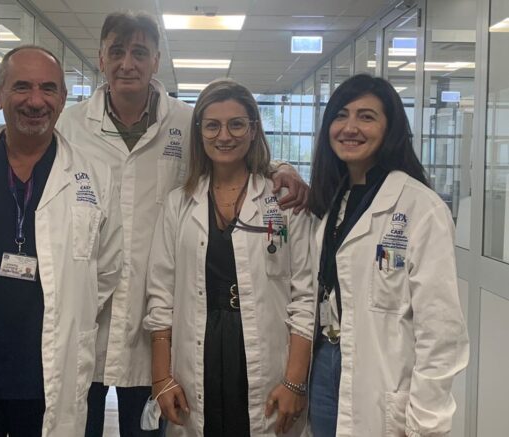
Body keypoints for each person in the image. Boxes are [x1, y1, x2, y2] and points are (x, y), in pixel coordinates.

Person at [57, 12, 310, 436]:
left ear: (156, 60)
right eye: (116, 52)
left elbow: (230, 149)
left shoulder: (183, 121)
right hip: (87, 312)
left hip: (156, 328)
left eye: (139, 52)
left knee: (150, 428)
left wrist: (282, 169)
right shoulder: (70, 126)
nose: (127, 63)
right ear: (101, 58)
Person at [0, 45, 123, 436]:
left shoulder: (95, 176)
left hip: (50, 370)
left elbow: (107, 269)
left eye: (48, 88)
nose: (36, 101)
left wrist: (71, 307)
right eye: (22, 87)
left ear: (63, 98)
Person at [144, 79, 314, 437]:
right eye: (212, 125)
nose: (224, 136)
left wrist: (295, 381)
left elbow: (305, 296)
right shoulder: (179, 203)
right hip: (198, 350)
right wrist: (161, 377)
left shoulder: (283, 201)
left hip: (264, 351)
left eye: (236, 124)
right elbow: (161, 294)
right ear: (199, 132)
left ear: (253, 130)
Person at [306, 74, 469, 436]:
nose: (350, 127)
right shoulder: (335, 199)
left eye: (366, 116)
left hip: (383, 374)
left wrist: (428, 421)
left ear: (390, 128)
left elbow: (440, 329)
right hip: (326, 364)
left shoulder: (420, 207)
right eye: (341, 115)